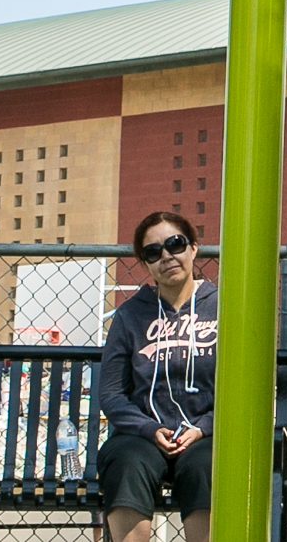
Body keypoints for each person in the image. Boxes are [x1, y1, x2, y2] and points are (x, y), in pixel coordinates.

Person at [97, 211, 218, 542]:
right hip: (143, 435)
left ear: (193, 248)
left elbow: (240, 391)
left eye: (175, 244)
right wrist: (149, 429)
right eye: (153, 252)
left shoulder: (224, 307)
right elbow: (111, 394)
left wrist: (204, 427)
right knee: (125, 460)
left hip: (204, 434)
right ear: (146, 263)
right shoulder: (130, 316)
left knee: (207, 464)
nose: (167, 256)